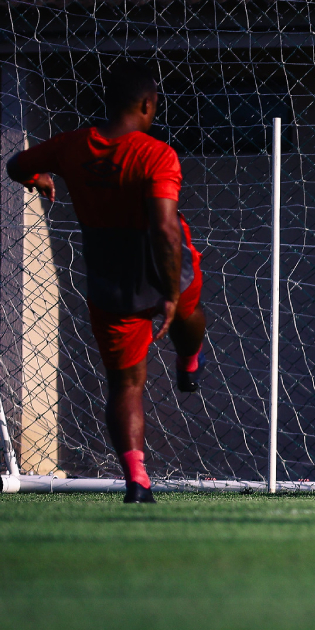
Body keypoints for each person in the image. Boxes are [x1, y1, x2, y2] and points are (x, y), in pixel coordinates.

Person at [6, 60, 206, 503]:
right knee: (190, 308)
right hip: (160, 263)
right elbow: (165, 230)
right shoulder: (156, 154)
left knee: (125, 384)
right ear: (147, 104)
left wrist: (39, 176)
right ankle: (189, 360)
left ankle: (137, 480)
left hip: (109, 274)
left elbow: (16, 164)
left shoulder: (71, 146)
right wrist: (170, 294)